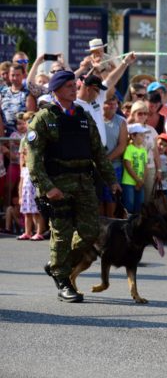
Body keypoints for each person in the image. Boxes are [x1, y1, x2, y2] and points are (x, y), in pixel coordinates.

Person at [26, 70, 120, 302]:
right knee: (62, 234)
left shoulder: (82, 115)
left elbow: (98, 152)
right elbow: (34, 160)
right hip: (58, 185)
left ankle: (59, 262)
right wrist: (47, 188)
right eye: (68, 85)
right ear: (56, 89)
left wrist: (112, 181)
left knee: (90, 232)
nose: (72, 88)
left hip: (84, 183)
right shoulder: (44, 118)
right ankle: (63, 280)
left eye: (73, 84)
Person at [16, 113, 46, 241]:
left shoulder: (40, 137)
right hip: (27, 172)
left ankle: (38, 232)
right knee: (27, 210)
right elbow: (22, 156)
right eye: (27, 121)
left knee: (37, 209)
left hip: (37, 173)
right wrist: (20, 196)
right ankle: (27, 232)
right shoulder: (24, 139)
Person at [121, 124, 149, 214]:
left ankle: (136, 226)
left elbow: (146, 167)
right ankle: (127, 226)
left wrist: (142, 181)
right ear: (133, 136)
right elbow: (127, 165)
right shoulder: (129, 149)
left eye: (143, 135)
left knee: (139, 207)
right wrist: (138, 180)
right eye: (141, 135)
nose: (143, 137)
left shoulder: (143, 150)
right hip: (129, 183)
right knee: (128, 207)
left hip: (140, 183)